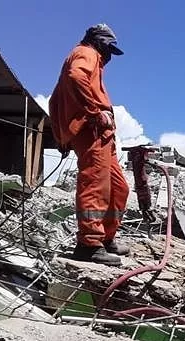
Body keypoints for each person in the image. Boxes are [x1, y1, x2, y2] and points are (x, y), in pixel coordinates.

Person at [49, 24, 129, 266]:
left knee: (119, 187)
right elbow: (75, 76)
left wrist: (61, 134)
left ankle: (105, 238)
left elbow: (55, 101)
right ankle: (88, 243)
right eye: (109, 50)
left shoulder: (88, 57)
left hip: (101, 135)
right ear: (100, 43)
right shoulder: (87, 52)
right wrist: (95, 112)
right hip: (92, 131)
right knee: (95, 185)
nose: (109, 57)